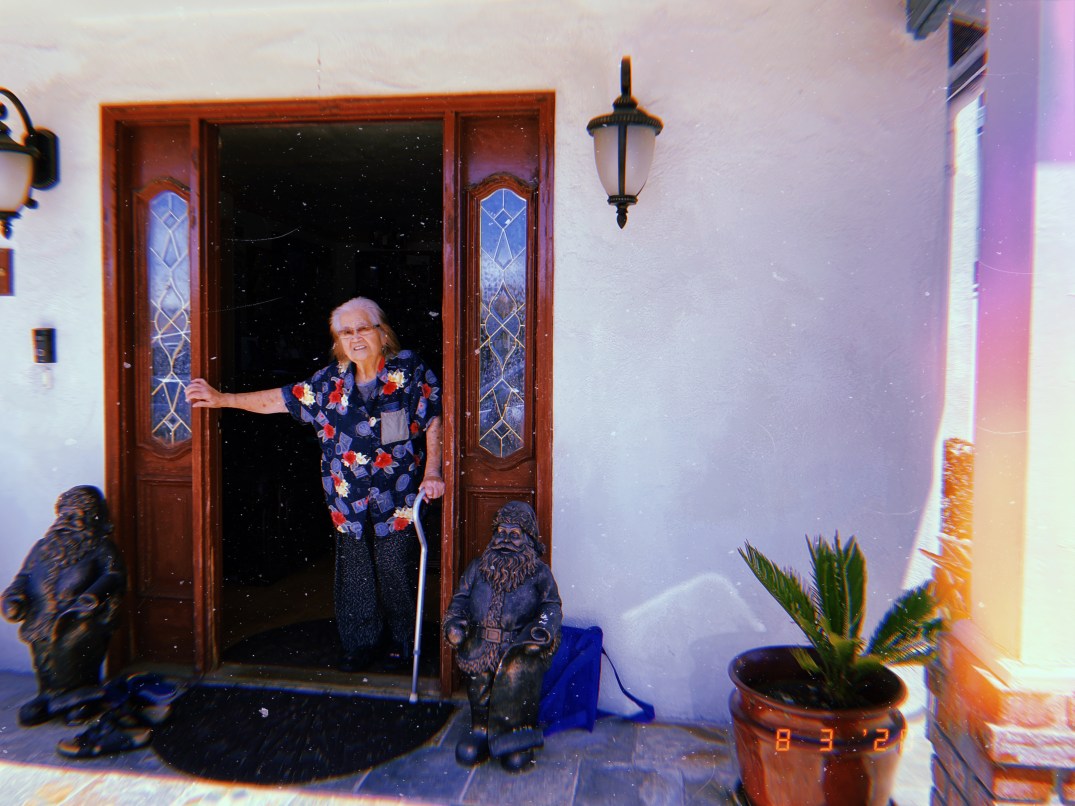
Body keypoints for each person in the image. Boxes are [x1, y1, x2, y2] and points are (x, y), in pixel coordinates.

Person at [186, 297, 444, 671]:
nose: (355, 338)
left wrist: (433, 471)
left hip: (399, 494)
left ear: (382, 334)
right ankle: (361, 644)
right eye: (346, 332)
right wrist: (221, 399)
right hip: (348, 498)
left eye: (363, 328)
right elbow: (278, 400)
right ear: (338, 342)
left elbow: (434, 419)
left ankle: (405, 642)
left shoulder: (409, 370)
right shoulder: (328, 382)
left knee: (395, 568)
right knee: (354, 572)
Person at [444, 500, 562, 772]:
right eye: (501, 532)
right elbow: (460, 599)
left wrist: (542, 630)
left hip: (517, 650)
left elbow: (551, 606)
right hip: (479, 645)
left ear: (528, 539)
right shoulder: (478, 567)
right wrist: (455, 623)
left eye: (514, 534)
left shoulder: (539, 573)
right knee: (480, 692)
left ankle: (514, 738)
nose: (505, 540)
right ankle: (481, 731)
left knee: (515, 697)